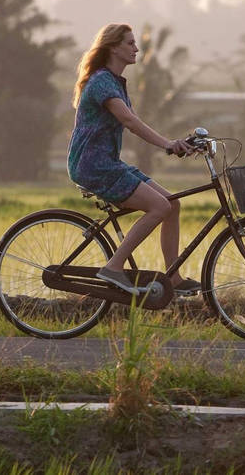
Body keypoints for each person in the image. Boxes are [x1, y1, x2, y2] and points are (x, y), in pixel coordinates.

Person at [67, 23, 198, 296]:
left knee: (172, 205)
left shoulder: (114, 82)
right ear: (113, 47)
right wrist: (167, 144)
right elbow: (129, 121)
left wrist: (177, 144)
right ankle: (114, 267)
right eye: (130, 43)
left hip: (107, 163)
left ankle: (172, 278)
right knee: (159, 207)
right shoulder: (102, 81)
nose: (136, 48)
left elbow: (134, 121)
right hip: (93, 165)